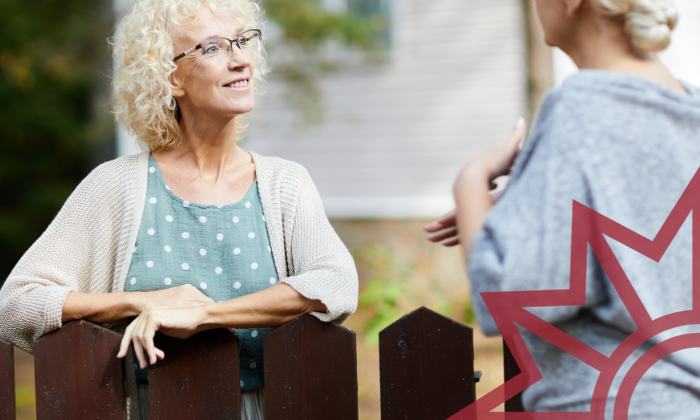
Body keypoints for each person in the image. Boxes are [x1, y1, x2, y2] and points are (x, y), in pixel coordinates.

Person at [0, 1, 358, 419]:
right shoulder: (115, 185)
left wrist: (205, 315)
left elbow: (335, 283)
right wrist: (141, 302)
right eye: (213, 48)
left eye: (243, 42)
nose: (241, 59)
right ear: (170, 77)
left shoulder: (285, 183)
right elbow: (16, 303)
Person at [426, 0, 700, 417]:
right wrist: (531, 196)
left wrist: (471, 183)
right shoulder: (686, 110)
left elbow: (507, 298)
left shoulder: (579, 108)